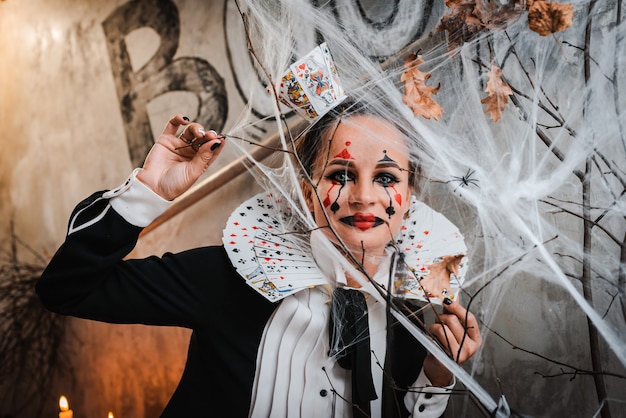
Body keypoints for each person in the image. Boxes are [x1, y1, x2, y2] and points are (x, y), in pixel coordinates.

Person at [37, 105, 482, 417]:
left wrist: (436, 376)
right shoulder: (234, 276)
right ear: (308, 193)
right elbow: (67, 288)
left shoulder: (410, 315)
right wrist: (149, 190)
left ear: (409, 199)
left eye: (385, 178)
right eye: (340, 175)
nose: (363, 196)